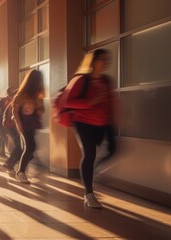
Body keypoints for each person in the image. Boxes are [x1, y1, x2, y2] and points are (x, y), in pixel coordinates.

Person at [64, 49, 117, 209]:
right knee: (89, 153)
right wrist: (89, 102)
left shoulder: (106, 80)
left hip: (103, 122)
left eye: (107, 59)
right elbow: (67, 101)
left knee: (114, 149)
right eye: (102, 59)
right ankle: (89, 194)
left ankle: (90, 170)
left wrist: (113, 118)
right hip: (83, 122)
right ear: (93, 61)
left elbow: (109, 101)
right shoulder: (81, 80)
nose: (105, 62)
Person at [12, 70, 45, 184]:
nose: (40, 82)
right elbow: (14, 111)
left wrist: (39, 105)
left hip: (33, 123)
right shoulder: (22, 95)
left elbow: (41, 110)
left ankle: (21, 167)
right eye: (39, 80)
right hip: (24, 124)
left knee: (30, 147)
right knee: (30, 147)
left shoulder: (37, 95)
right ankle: (20, 172)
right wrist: (19, 125)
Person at [0, 87, 21, 175]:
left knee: (21, 146)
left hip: (10, 126)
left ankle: (11, 164)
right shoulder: (14, 102)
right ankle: (9, 164)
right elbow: (13, 116)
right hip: (11, 126)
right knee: (20, 146)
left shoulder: (11, 102)